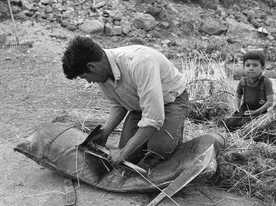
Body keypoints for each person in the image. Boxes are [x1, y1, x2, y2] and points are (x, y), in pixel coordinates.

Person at [62, 36, 189, 170]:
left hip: (171, 101)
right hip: (139, 106)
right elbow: (118, 105)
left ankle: (172, 141)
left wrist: (123, 152)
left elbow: (153, 118)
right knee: (128, 156)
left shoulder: (140, 62)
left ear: (91, 66)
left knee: (158, 151)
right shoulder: (102, 71)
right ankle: (145, 142)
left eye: (84, 77)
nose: (88, 82)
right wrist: (105, 132)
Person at [223, 51, 274, 132]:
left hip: (260, 111)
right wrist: (236, 107)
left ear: (262, 68)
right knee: (229, 125)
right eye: (247, 65)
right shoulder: (243, 82)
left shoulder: (265, 82)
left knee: (250, 126)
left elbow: (270, 102)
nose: (251, 68)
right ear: (243, 67)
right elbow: (238, 96)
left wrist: (255, 112)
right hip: (245, 109)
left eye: (255, 65)